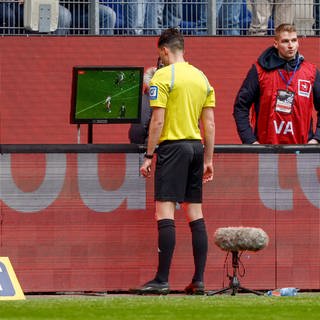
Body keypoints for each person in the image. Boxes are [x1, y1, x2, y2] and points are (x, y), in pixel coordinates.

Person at [131, 28, 215, 295]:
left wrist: (148, 155)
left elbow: (157, 120)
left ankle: (162, 279)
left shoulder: (162, 76)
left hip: (172, 147)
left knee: (164, 212)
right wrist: (209, 159)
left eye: (161, 54)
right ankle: (199, 280)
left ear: (164, 50)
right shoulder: (202, 77)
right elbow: (209, 123)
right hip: (196, 147)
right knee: (195, 214)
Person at [233, 23, 320, 144]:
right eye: (285, 41)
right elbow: (240, 106)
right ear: (276, 44)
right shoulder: (259, 71)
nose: (291, 46)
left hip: (303, 148)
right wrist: (250, 141)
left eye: (294, 40)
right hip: (266, 148)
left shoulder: (311, 71)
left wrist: (317, 139)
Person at [0, 0, 71, 35]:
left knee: (64, 15)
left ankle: (54, 50)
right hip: (9, 3)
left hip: (40, 2)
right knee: (7, 16)